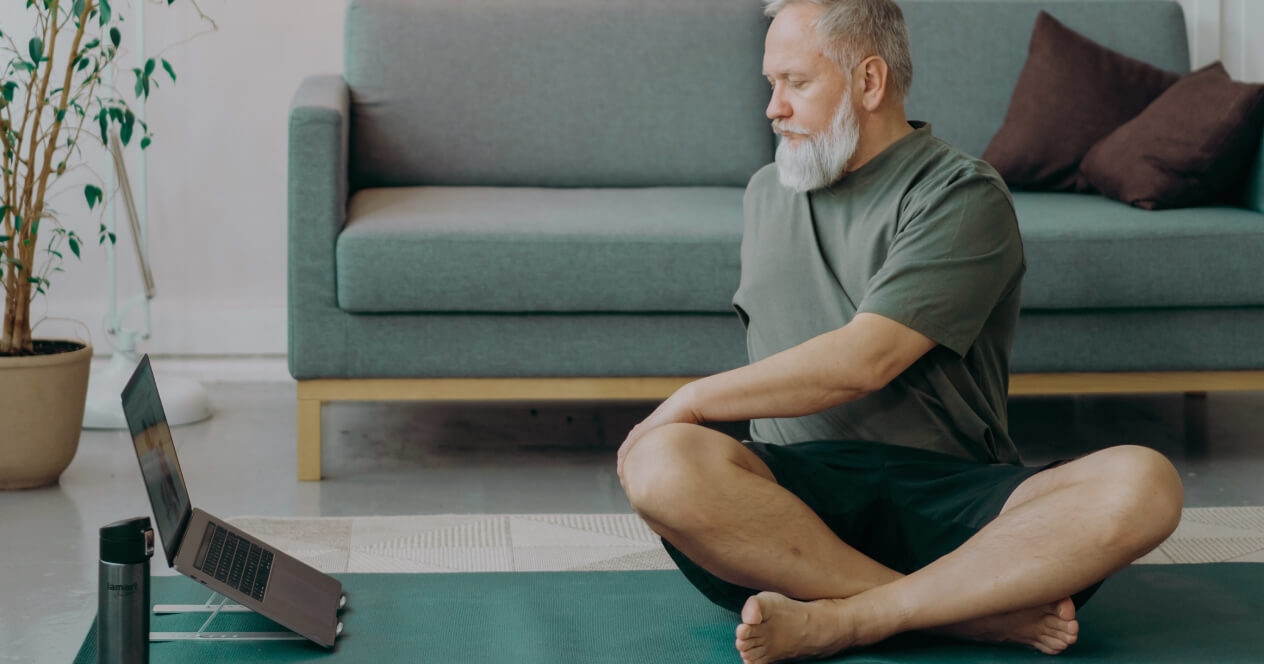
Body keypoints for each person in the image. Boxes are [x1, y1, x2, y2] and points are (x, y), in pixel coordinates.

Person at [615, 1, 1184, 663]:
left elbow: (865, 359)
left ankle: (854, 618)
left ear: (870, 82)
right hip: (795, 509)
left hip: (955, 503)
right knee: (662, 466)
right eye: (770, 85)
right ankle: (965, 614)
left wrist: (688, 400)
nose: (773, 108)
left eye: (795, 83)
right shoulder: (766, 193)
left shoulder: (962, 193)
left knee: (1145, 483)